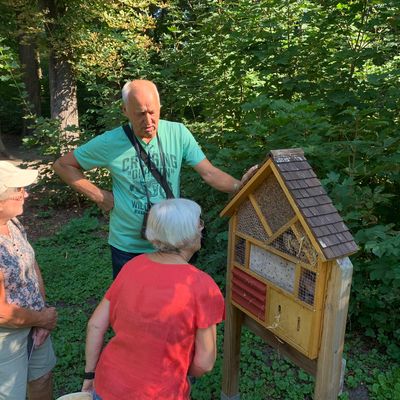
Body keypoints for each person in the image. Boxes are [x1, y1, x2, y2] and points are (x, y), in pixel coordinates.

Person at [53, 79, 255, 278]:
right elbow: (63, 165)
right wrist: (99, 196)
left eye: (152, 112)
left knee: (171, 304)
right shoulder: (110, 141)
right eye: (140, 114)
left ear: (160, 107)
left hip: (172, 242)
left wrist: (242, 187)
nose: (148, 121)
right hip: (129, 246)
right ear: (125, 111)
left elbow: (209, 173)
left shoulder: (178, 133)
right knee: (132, 305)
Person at [81, 198, 224, 400]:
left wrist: (90, 374)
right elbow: (205, 362)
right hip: (160, 392)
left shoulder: (132, 266)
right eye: (199, 223)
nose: (202, 228)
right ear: (189, 234)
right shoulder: (201, 286)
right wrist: (182, 378)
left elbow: (96, 325)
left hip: (108, 384)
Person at [0, 161, 57, 400]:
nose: (26, 193)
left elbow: (31, 264)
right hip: (6, 334)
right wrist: (41, 318)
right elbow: (2, 313)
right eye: (18, 190)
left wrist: (40, 313)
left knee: (42, 378)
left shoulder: (11, 223)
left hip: (34, 320)